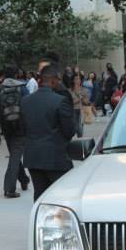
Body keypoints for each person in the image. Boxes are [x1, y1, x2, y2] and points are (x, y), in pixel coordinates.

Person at [21, 66, 76, 201]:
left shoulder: (25, 101)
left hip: (33, 156)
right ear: (53, 80)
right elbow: (69, 131)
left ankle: (40, 220)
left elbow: (22, 129)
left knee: (40, 195)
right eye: (58, 80)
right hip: (56, 157)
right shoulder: (60, 101)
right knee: (62, 196)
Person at [0, 66, 30, 198]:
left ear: (4, 76)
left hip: (6, 127)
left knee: (14, 154)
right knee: (15, 156)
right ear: (17, 75)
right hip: (21, 126)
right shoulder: (23, 88)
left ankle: (23, 180)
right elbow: (29, 107)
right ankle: (9, 189)